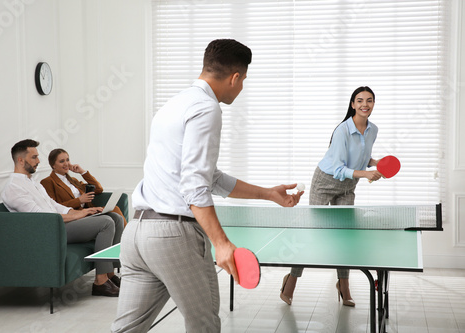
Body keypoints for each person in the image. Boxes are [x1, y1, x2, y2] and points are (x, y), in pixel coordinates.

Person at [111, 39, 303, 333]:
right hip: (173, 237)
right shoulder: (207, 108)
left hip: (136, 234)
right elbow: (195, 185)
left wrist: (267, 194)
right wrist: (221, 243)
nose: (241, 89)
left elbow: (208, 177)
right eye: (243, 81)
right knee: (204, 327)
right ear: (235, 77)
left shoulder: (173, 104)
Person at [280, 86, 383, 307]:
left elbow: (360, 156)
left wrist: (375, 164)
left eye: (370, 100)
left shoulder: (373, 130)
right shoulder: (342, 131)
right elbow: (337, 168)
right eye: (360, 100)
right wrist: (365, 173)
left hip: (347, 187)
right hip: (325, 182)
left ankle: (344, 286)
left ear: (374, 104)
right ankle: (291, 281)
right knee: (310, 232)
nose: (365, 104)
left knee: (344, 235)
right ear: (353, 104)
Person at [2, 139, 124, 297]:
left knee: (115, 217)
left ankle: (110, 274)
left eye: (37, 156)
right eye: (34, 157)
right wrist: (79, 214)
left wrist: (84, 211)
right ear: (20, 160)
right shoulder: (13, 188)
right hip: (49, 231)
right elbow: (43, 218)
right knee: (105, 223)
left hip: (58, 224)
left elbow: (55, 206)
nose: (38, 161)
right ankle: (100, 282)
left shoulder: (34, 184)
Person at [40, 148, 126, 224]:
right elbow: (53, 207)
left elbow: (99, 189)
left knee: (115, 209)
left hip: (88, 211)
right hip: (75, 216)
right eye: (62, 161)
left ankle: (127, 240)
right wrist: (79, 200)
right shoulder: (48, 182)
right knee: (113, 214)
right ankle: (128, 240)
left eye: (67, 160)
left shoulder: (73, 180)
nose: (66, 164)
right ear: (53, 165)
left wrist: (82, 172)